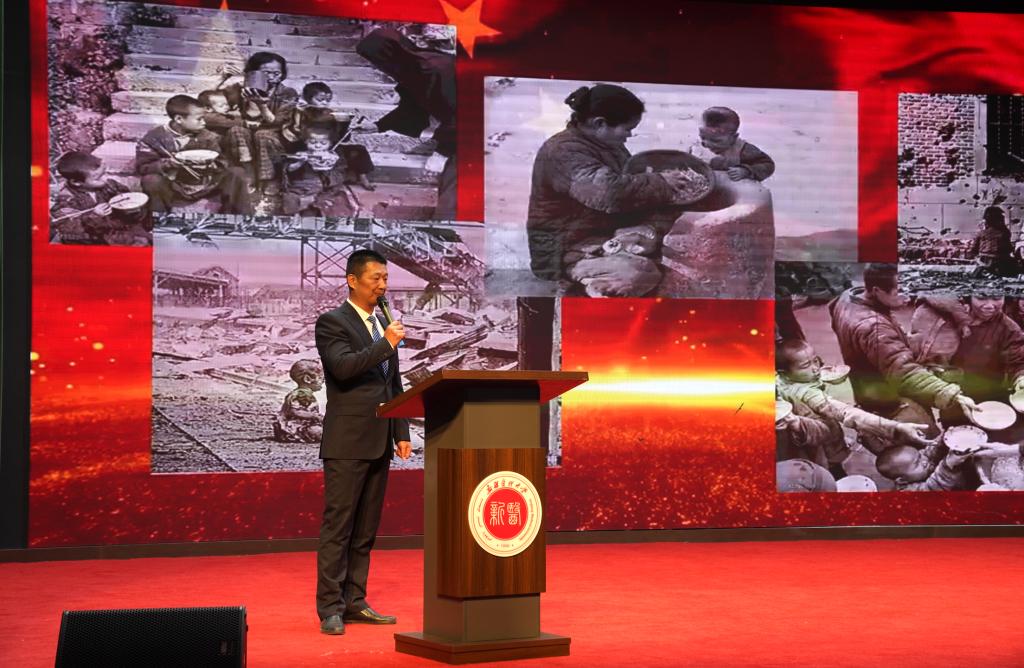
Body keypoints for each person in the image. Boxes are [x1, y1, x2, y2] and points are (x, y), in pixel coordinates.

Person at [314, 249, 411, 635]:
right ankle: (330, 608)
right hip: (347, 440)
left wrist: (401, 430)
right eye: (376, 278)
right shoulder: (332, 322)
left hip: (380, 439)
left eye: (386, 278)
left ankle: (355, 601)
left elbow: (393, 383)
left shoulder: (383, 324)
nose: (382, 286)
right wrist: (386, 343)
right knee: (339, 527)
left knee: (366, 530)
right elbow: (343, 368)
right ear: (352, 281)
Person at [524, 83, 692, 293]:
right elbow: (608, 193)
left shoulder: (604, 142)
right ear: (600, 123)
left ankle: (627, 249)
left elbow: (627, 179)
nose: (629, 135)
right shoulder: (563, 152)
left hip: (603, 227)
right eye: (627, 129)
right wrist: (659, 182)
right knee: (639, 274)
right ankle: (585, 283)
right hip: (567, 245)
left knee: (674, 211)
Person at [829, 263, 978, 454]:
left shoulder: (847, 297)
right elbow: (904, 373)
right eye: (901, 291)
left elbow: (833, 310)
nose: (909, 296)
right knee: (928, 444)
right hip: (889, 398)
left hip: (865, 384)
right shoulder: (874, 329)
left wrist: (900, 340)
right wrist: (951, 393)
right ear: (877, 290)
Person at [775, 338, 934, 477]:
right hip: (819, 450)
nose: (815, 368)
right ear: (784, 372)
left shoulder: (780, 380)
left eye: (815, 360)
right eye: (806, 365)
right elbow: (847, 414)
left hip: (812, 444)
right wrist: (896, 427)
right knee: (829, 472)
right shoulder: (806, 393)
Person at [353, 27, 457, 218]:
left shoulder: (435, 68)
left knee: (455, 190)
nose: (377, 66)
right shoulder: (413, 69)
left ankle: (449, 229)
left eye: (376, 59)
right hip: (456, 134)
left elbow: (459, 114)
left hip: (474, 130)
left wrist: (441, 153)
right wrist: (377, 126)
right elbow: (411, 108)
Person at [910, 293, 1024, 427]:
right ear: (968, 296)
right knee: (956, 432)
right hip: (954, 396)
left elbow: (1017, 361)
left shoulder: (1009, 328)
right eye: (981, 298)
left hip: (992, 399)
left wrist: (1020, 379)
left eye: (997, 298)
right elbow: (920, 358)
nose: (989, 305)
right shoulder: (945, 321)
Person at [136, 95, 253, 214]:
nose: (204, 123)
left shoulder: (208, 136)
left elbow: (222, 161)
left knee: (237, 173)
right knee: (151, 180)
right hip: (174, 184)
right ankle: (159, 217)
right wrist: (168, 164)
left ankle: (237, 218)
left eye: (204, 118)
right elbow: (143, 167)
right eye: (199, 119)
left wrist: (211, 165)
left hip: (206, 182)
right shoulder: (155, 138)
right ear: (179, 119)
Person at [216, 52, 299, 195]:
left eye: (277, 73)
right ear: (252, 73)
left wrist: (262, 106)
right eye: (266, 73)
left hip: (273, 137)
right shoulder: (239, 89)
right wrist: (221, 79)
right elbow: (206, 105)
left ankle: (270, 178)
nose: (272, 77)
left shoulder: (287, 93)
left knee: (263, 134)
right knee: (236, 130)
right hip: (244, 139)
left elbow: (277, 122)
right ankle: (248, 173)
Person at [50, 151, 150, 245]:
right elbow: (68, 228)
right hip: (91, 238)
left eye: (104, 173)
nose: (105, 179)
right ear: (76, 182)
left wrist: (130, 205)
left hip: (117, 227)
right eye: (98, 178)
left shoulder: (109, 185)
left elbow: (125, 198)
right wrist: (94, 215)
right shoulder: (67, 199)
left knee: (146, 237)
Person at [281, 125, 370, 217]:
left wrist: (329, 167)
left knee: (335, 205)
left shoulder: (334, 156)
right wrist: (300, 162)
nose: (318, 146)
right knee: (292, 201)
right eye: (312, 142)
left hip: (327, 189)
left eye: (323, 143)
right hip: (305, 188)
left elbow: (339, 175)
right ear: (306, 142)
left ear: (330, 144)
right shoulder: (301, 154)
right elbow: (289, 169)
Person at [698, 106, 775, 182]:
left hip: (733, 185)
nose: (707, 144)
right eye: (703, 137)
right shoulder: (698, 146)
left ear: (733, 137)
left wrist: (746, 171)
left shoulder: (744, 150)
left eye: (716, 141)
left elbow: (768, 165)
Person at [875, 443, 977, 491]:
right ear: (902, 480)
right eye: (917, 464)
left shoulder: (922, 460)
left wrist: (942, 441)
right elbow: (933, 487)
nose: (924, 461)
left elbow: (929, 452)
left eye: (920, 455)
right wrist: (947, 465)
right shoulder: (908, 491)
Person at [273, 359, 324, 444]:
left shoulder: (301, 393)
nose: (323, 381)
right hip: (294, 428)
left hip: (297, 426)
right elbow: (295, 411)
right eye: (321, 378)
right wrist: (314, 415)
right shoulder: (301, 394)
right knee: (319, 431)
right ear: (307, 379)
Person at [969, 206, 1015, 277]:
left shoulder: (981, 233)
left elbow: (974, 250)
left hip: (984, 260)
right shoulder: (1004, 232)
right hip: (1000, 261)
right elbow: (1008, 249)